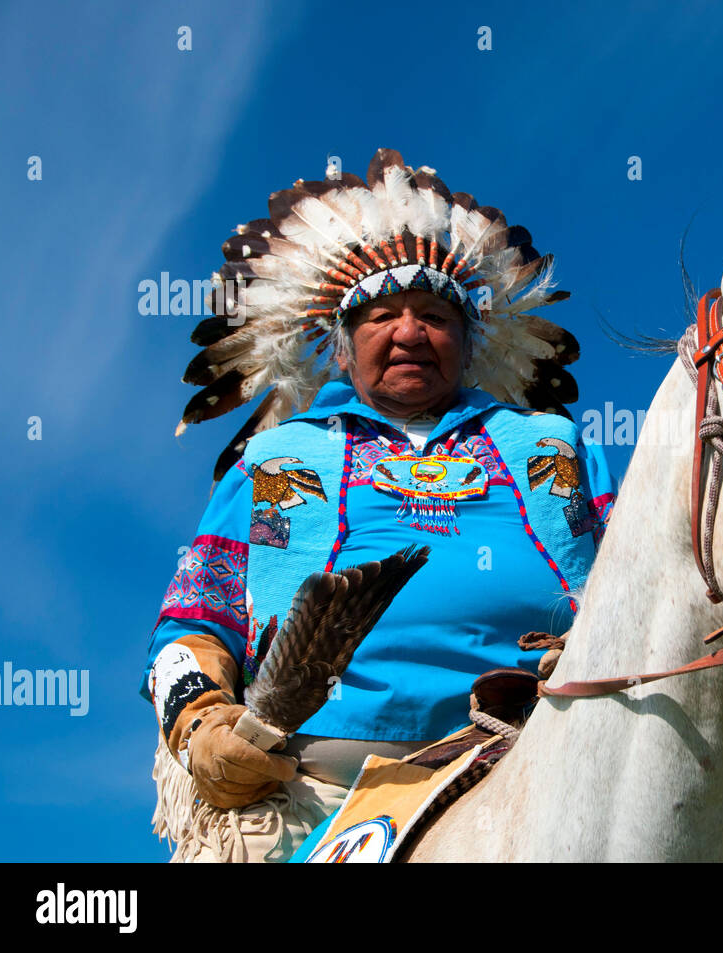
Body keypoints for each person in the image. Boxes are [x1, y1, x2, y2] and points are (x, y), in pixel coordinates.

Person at [140, 149, 615, 862]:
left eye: (433, 314)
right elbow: (194, 620)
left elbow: (641, 572)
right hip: (318, 790)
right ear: (340, 345)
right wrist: (201, 720)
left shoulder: (549, 443)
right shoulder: (277, 456)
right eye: (381, 316)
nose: (409, 332)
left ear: (469, 336)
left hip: (539, 759)